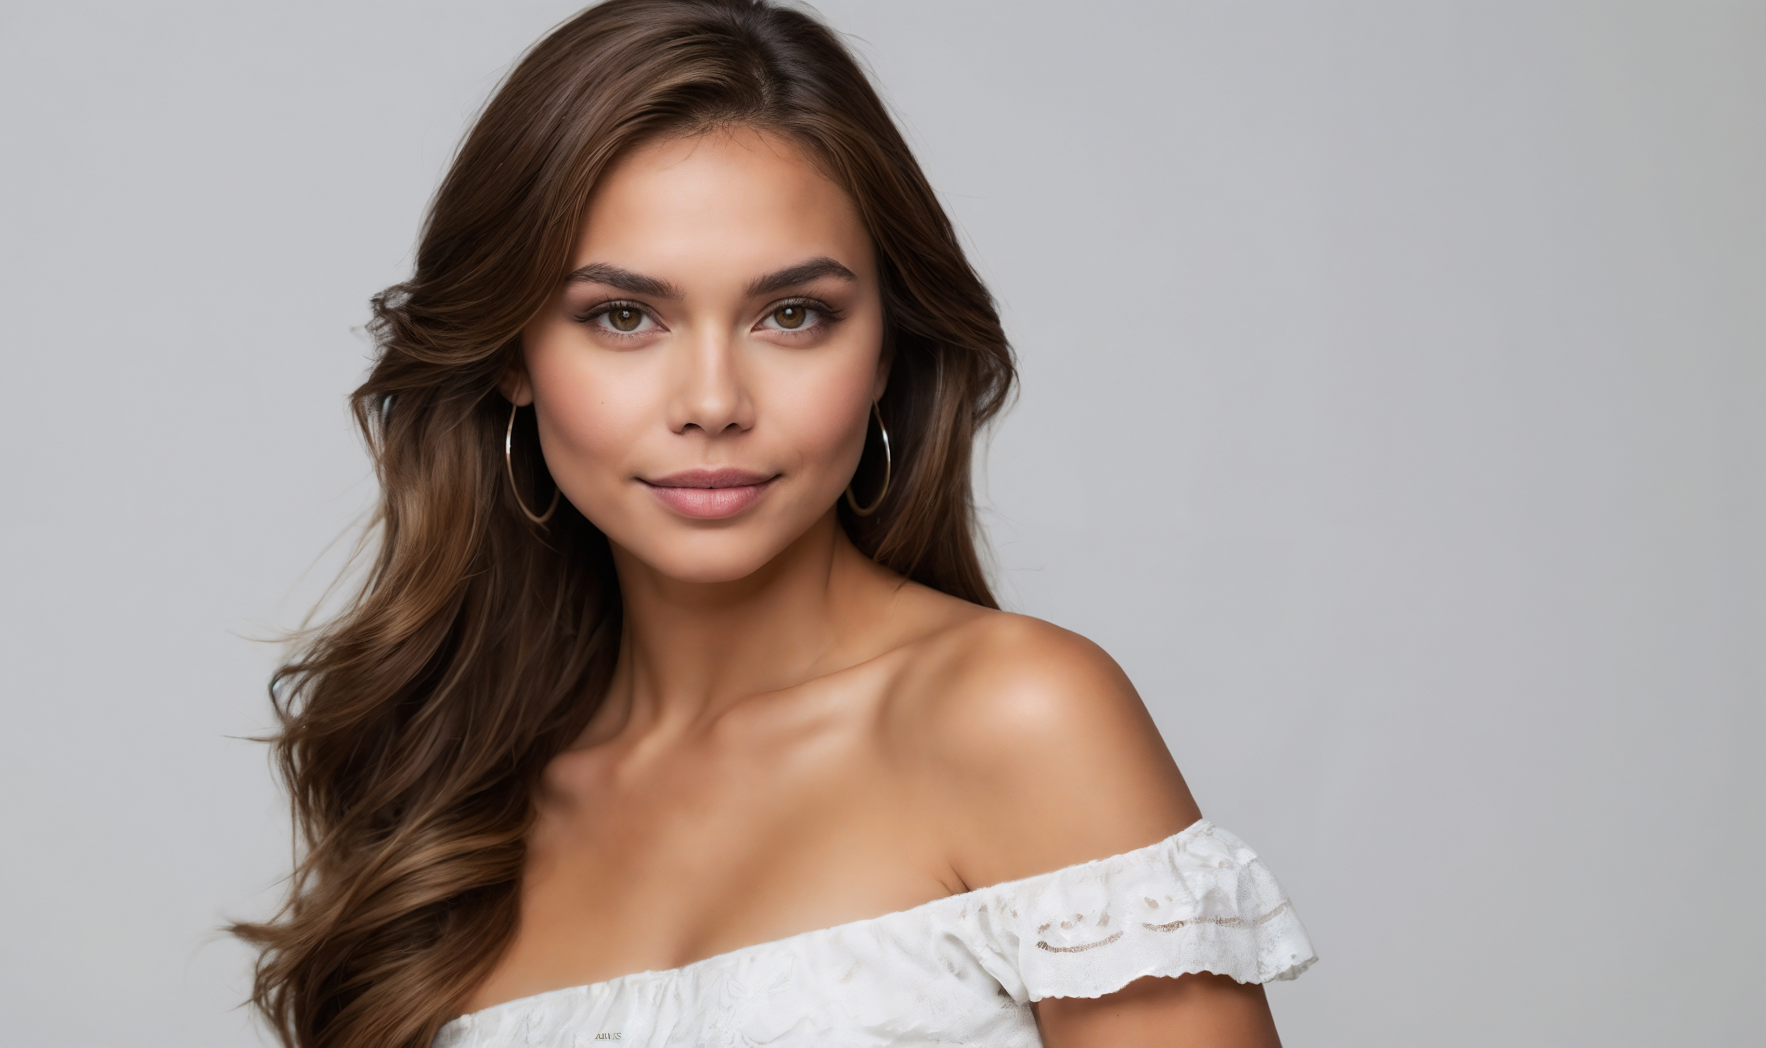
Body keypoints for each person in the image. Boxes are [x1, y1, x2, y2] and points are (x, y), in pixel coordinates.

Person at [233, 1, 1315, 1045]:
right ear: (514, 356)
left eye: (792, 315)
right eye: (623, 316)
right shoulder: (454, 805)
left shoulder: (1019, 719)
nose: (712, 399)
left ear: (886, 348)